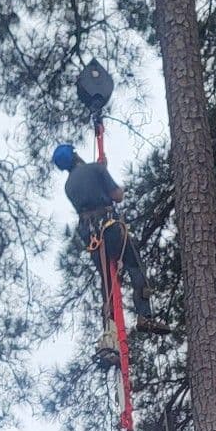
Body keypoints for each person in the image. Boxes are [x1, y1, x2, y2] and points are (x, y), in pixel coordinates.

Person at [52, 141, 155, 355]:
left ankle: (110, 331)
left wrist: (101, 170)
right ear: (75, 156)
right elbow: (117, 195)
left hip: (91, 237)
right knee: (134, 263)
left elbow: (89, 194)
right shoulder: (95, 169)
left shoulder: (68, 186)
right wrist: (105, 173)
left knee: (107, 282)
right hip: (109, 228)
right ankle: (145, 315)